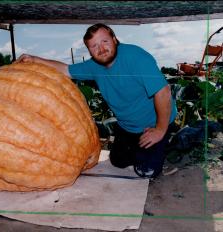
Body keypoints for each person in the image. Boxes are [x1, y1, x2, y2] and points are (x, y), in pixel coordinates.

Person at [15, 23, 177, 178]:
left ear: (114, 39)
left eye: (104, 41)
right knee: (118, 162)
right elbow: (66, 70)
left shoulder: (136, 57)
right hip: (127, 126)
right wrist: (34, 59)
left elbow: (163, 92)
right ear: (89, 50)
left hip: (154, 122)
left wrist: (160, 130)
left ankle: (165, 142)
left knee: (146, 171)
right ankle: (143, 148)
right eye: (94, 46)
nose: (101, 49)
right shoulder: (94, 66)